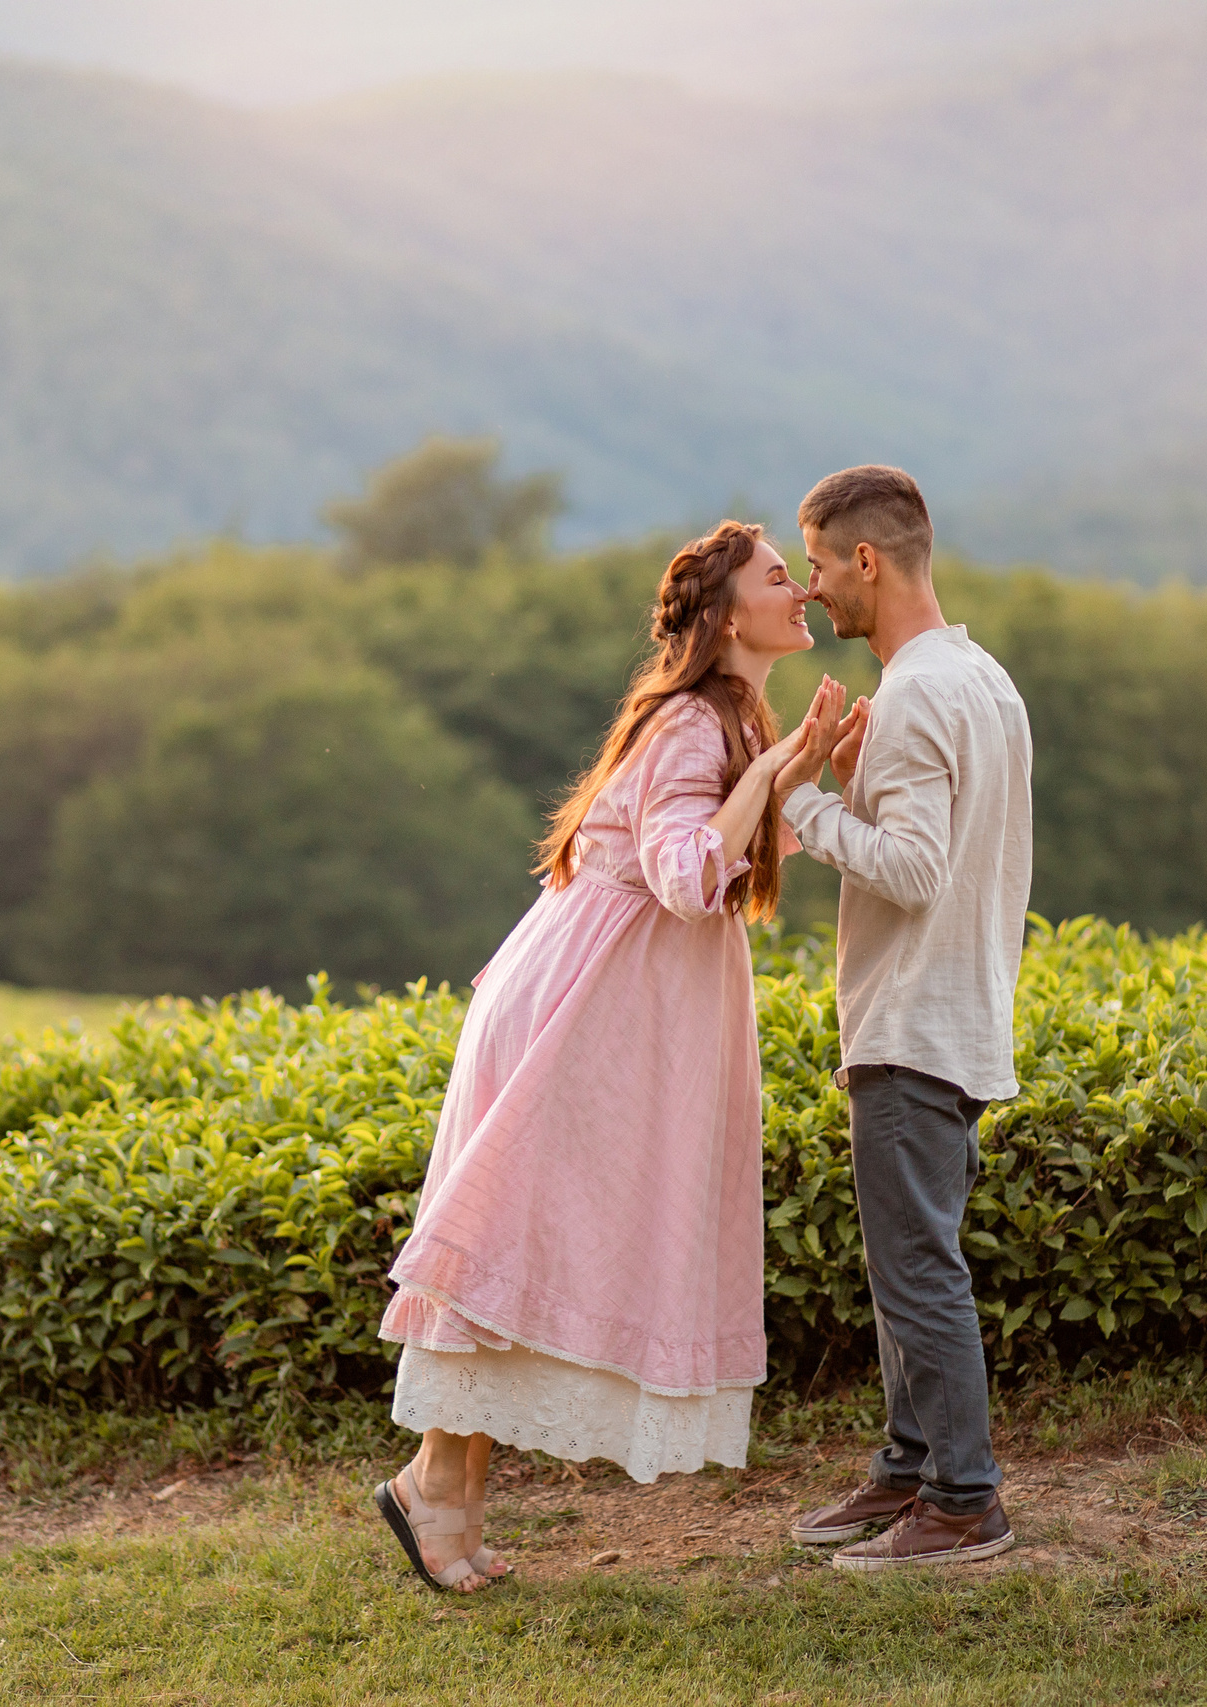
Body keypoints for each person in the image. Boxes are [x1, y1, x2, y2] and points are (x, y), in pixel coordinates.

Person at [370, 519, 845, 1594]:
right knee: (517, 1241)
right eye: (781, 577)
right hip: (580, 1020)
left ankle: (435, 1492)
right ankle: (435, 1492)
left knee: (533, 1246)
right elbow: (686, 876)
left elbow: (738, 847)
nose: (800, 592)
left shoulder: (725, 715)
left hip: (598, 1012)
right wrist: (773, 768)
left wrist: (803, 772)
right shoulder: (693, 722)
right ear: (728, 614)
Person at [779, 465, 1034, 1571]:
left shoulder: (924, 690)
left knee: (918, 1271)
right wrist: (856, 779)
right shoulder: (979, 676)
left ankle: (965, 1501)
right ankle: (905, 1469)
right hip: (958, 1016)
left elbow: (917, 870)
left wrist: (803, 804)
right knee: (906, 1266)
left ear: (867, 561)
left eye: (821, 565)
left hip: (911, 1027)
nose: (811, 589)